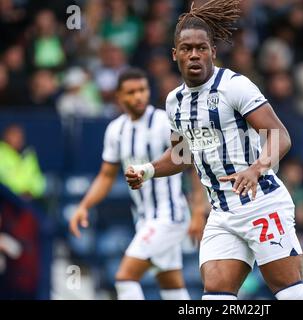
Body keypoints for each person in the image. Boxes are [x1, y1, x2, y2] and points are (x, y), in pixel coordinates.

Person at [125, 0, 303, 300]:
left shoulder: (235, 86)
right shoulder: (174, 102)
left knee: (289, 293)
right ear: (175, 54)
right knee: (215, 297)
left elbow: (280, 136)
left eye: (201, 47)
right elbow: (182, 156)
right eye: (186, 48)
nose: (194, 54)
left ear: (213, 51)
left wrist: (257, 168)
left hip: (261, 203)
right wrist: (148, 170)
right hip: (222, 213)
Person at [69, 68, 206, 300]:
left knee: (124, 277)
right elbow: (106, 176)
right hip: (144, 218)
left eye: (142, 90)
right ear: (119, 97)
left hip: (170, 215)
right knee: (171, 283)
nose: (138, 96)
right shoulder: (115, 130)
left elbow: (192, 164)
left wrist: (199, 212)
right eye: (131, 92)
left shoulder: (165, 122)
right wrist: (84, 205)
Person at [0, 124, 46, 200]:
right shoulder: (1, 152)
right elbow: (4, 180)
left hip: (27, 202)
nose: (18, 139)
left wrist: (31, 192)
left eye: (20, 136)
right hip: (5, 200)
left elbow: (38, 181)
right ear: (6, 136)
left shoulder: (29, 155)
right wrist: (16, 194)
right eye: (14, 135)